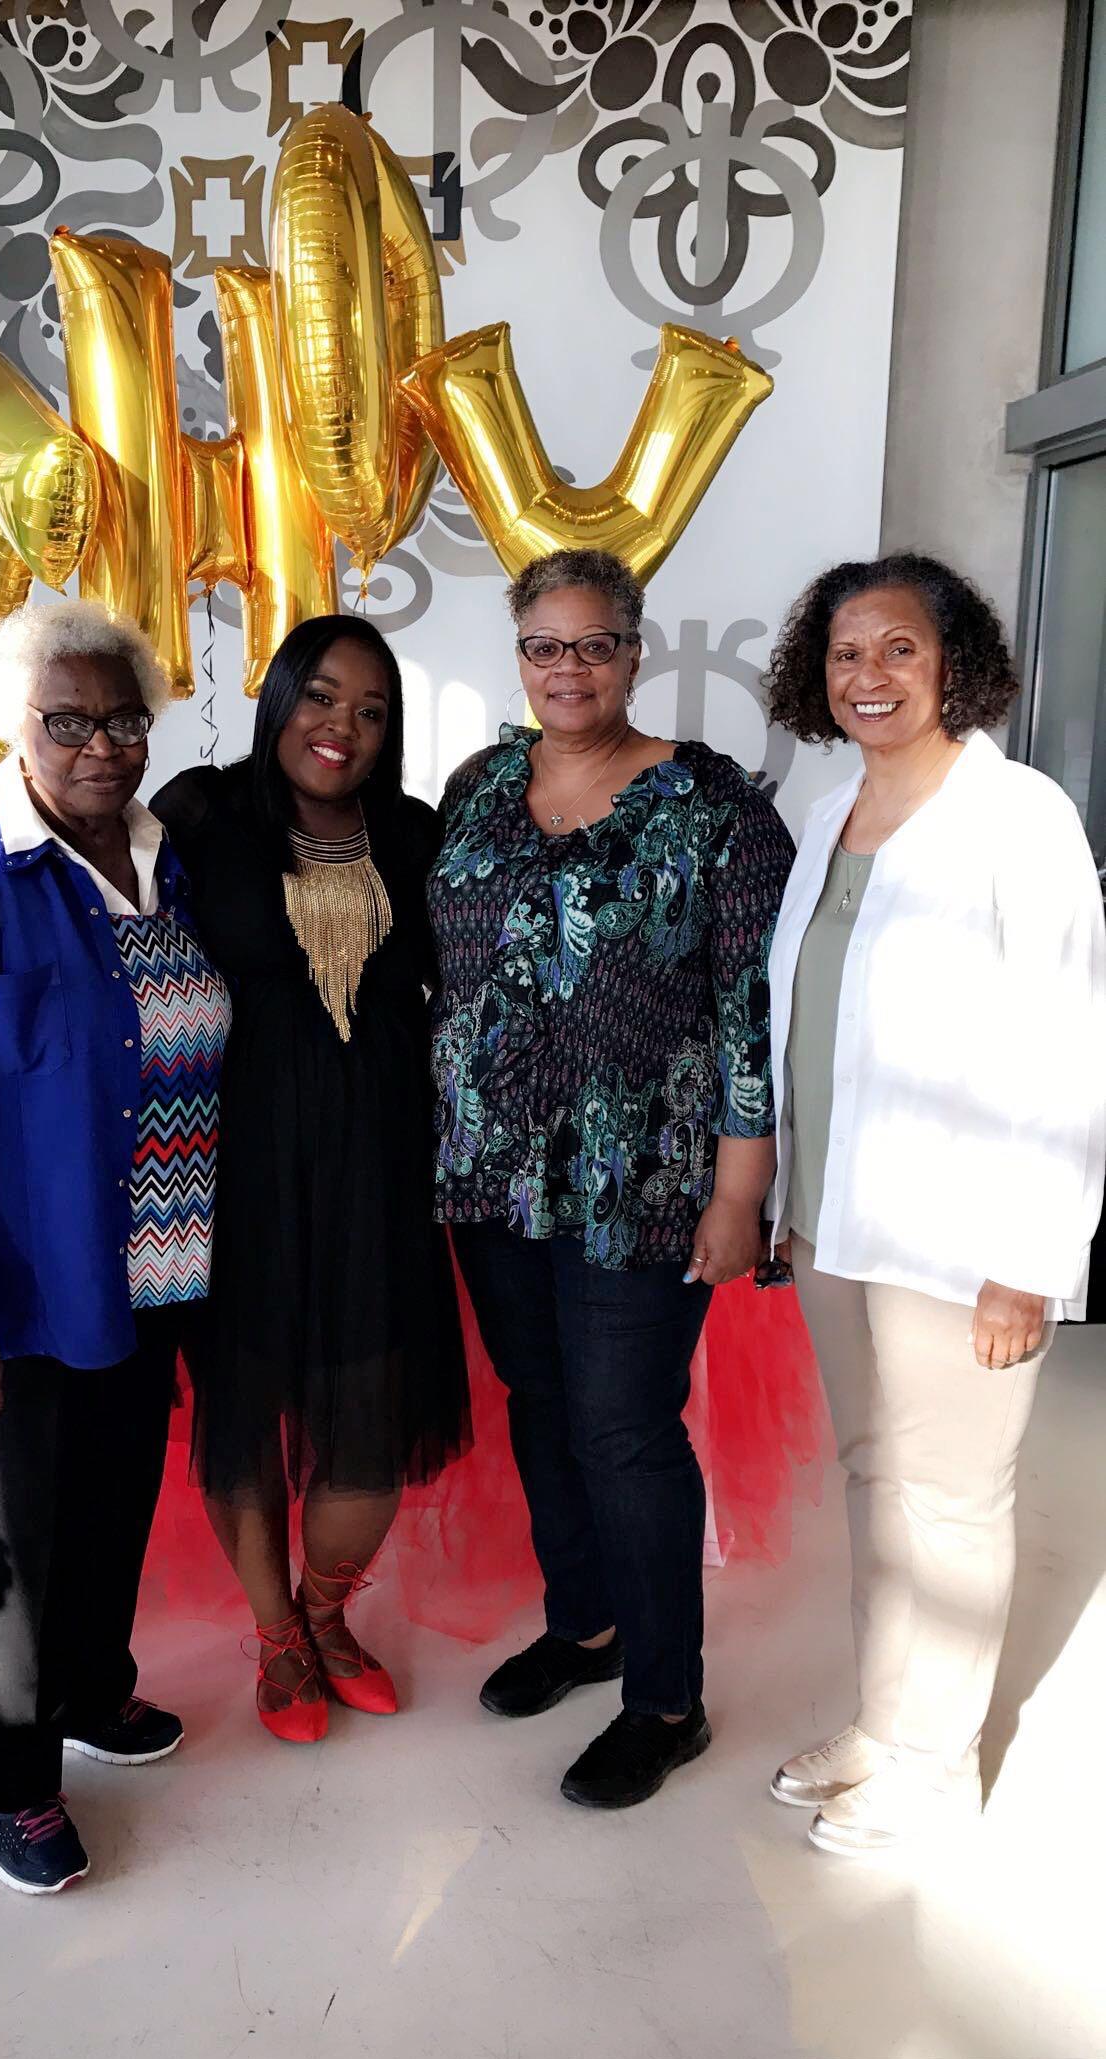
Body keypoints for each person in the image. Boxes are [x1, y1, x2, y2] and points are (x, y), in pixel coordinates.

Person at [0, 600, 231, 1895]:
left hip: (137, 1266)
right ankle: (7, 1786)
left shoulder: (158, 856)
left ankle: (85, 1693)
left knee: (105, 1507)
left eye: (123, 718)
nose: (102, 745)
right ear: (6, 726)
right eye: (65, 719)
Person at [429, 548, 795, 1809]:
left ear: (636, 655)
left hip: (643, 1172)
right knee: (540, 1402)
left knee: (625, 1429)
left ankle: (667, 1699)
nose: (569, 668)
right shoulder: (477, 787)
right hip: (491, 1169)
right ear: (517, 654)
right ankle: (585, 1628)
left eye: (595, 645)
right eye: (545, 645)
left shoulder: (719, 807)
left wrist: (740, 1195)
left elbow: (754, 1014)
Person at [764, 551, 1106, 1857]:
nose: (870, 676)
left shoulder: (1019, 819)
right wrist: (793, 1200)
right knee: (872, 1482)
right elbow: (808, 1025)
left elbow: (1065, 1048)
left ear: (952, 663)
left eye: (898, 650)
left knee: (951, 1500)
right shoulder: (825, 809)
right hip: (838, 1224)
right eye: (848, 653)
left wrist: (1031, 1258)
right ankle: (883, 1721)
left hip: (964, 1241)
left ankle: (934, 1764)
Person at [152, 616, 469, 1743]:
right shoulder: (200, 814)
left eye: (371, 710)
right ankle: (276, 1632)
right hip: (234, 1168)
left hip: (381, 1162)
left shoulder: (418, 833)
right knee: (244, 1408)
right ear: (279, 696)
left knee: (371, 1410)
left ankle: (329, 1615)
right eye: (322, 696)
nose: (342, 726)